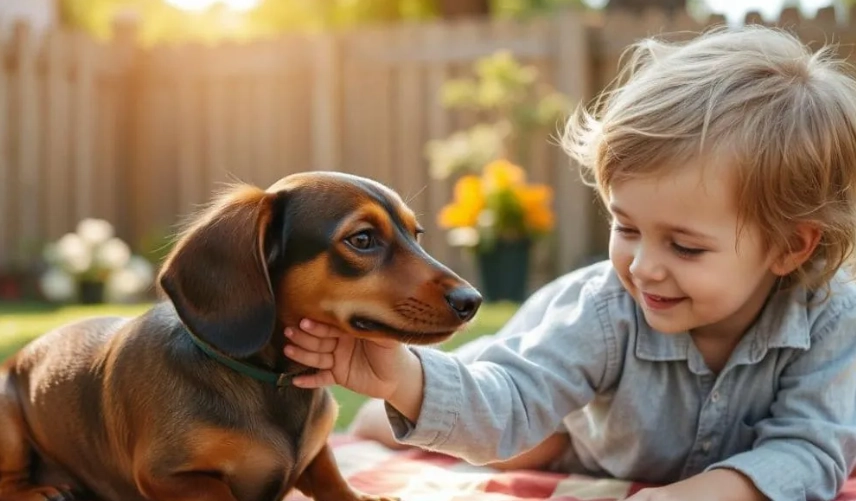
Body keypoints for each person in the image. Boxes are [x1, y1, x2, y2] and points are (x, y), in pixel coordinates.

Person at [282, 25, 856, 501]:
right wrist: (401, 379)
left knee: (536, 436)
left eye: (684, 246)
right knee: (505, 430)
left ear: (790, 247)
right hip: (563, 412)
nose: (643, 267)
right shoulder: (606, 305)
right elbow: (508, 401)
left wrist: (698, 493)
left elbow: (810, 449)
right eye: (625, 228)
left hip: (600, 439)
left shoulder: (833, 321)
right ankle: (408, 415)